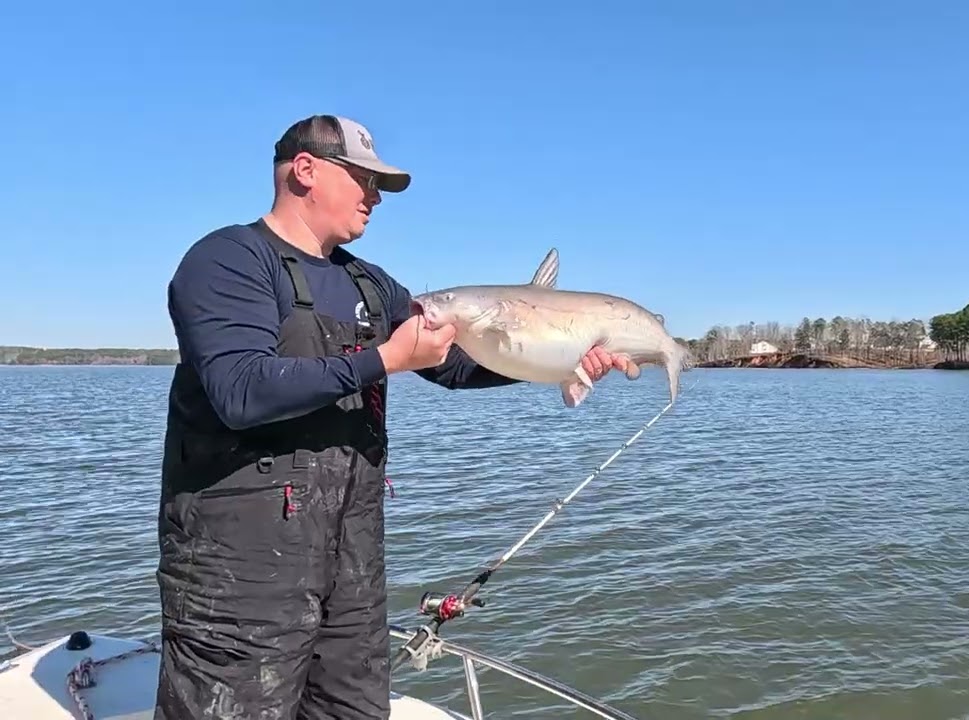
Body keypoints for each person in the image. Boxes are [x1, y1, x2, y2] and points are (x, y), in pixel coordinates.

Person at [154, 114, 628, 720]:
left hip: (351, 561)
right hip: (237, 575)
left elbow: (457, 366)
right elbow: (240, 389)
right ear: (306, 170)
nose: (374, 197)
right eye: (363, 179)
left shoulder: (372, 286)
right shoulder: (228, 261)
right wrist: (384, 359)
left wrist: (567, 363)